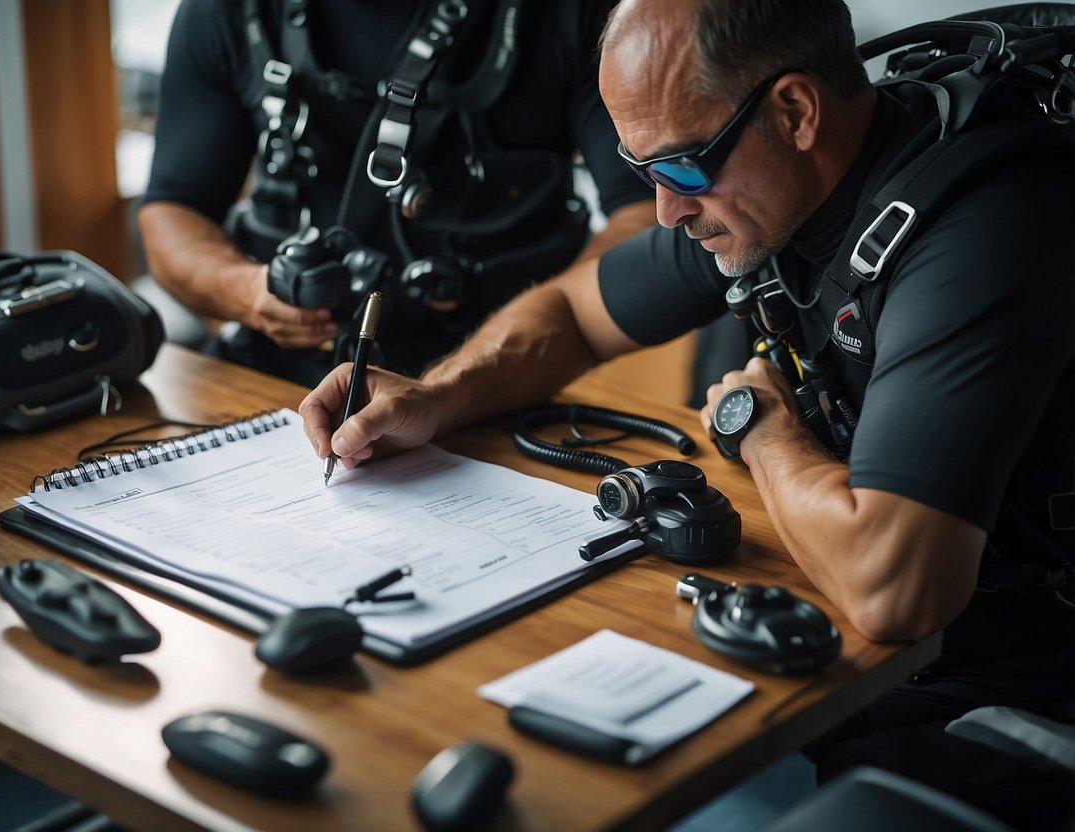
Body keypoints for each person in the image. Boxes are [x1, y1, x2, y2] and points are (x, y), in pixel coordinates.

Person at [299, 0, 1075, 823]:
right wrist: (437, 395)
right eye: (643, 175)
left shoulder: (985, 226)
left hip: (1014, 706)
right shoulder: (764, 186)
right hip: (849, 664)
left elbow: (893, 587)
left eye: (677, 170)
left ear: (794, 111)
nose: (666, 211)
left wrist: (761, 429)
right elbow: (568, 313)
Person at [138, 0, 656, 388]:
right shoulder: (229, 12)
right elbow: (173, 210)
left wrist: (487, 364)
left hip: (504, 384)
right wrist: (248, 293)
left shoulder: (575, 13)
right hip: (276, 378)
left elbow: (645, 215)